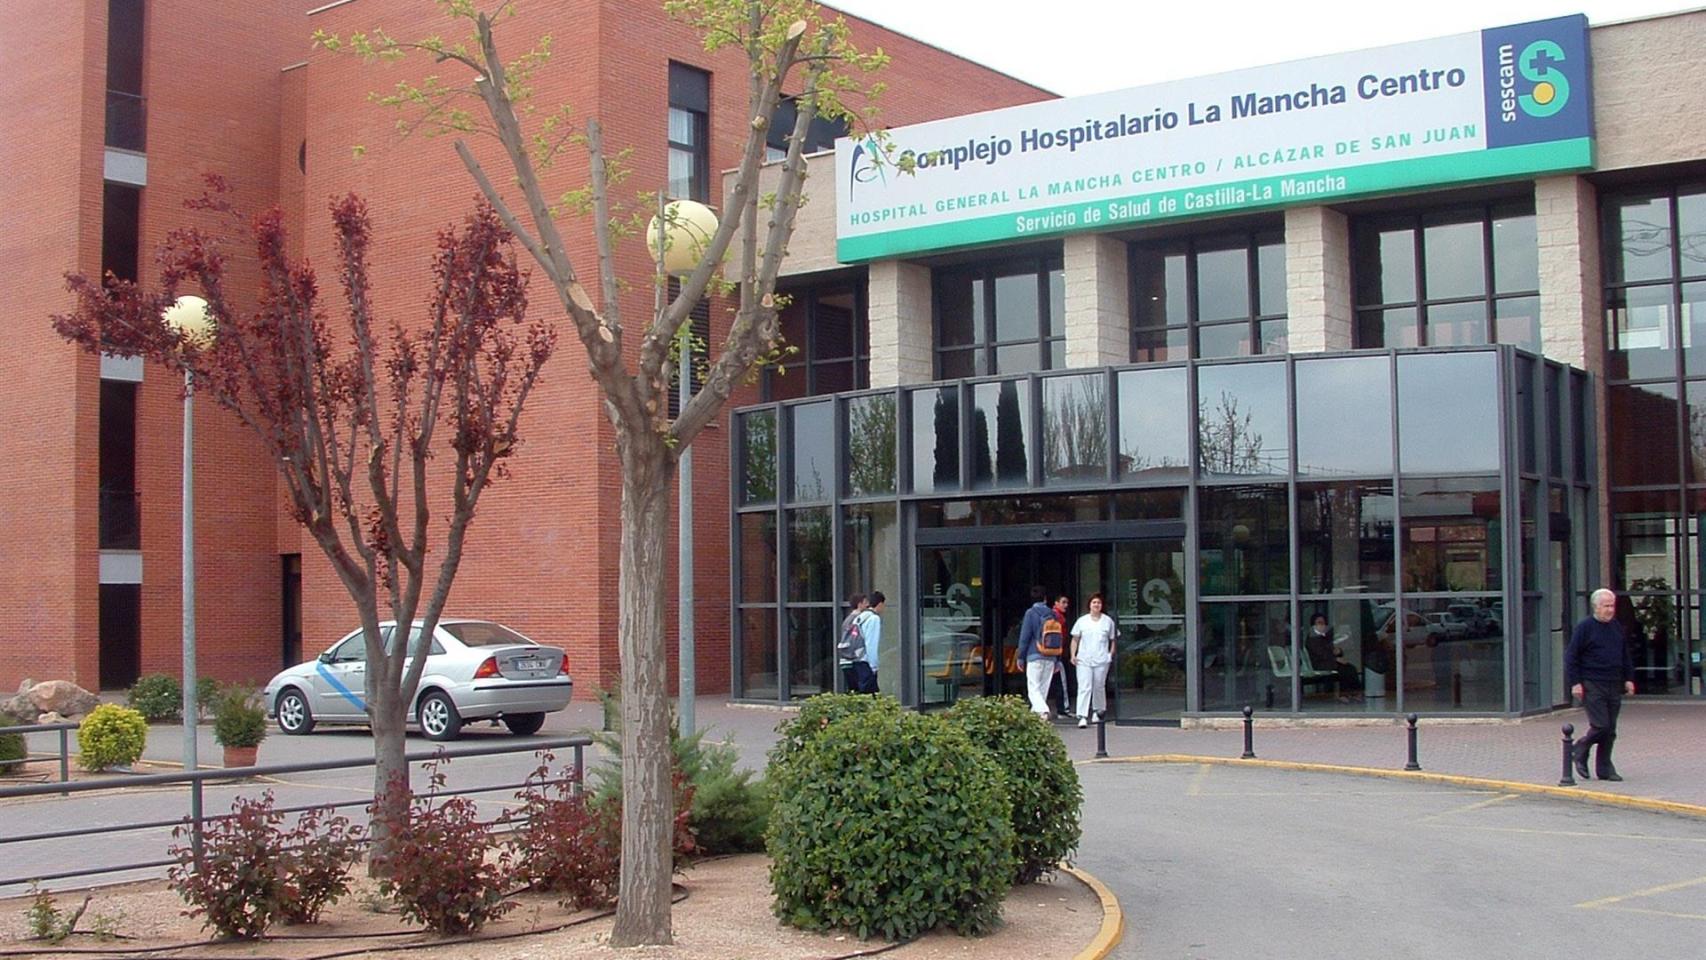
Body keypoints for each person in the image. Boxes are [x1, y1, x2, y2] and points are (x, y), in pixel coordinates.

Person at [1567, 588, 1636, 781]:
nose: (1610, 610)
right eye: (1606, 606)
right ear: (1596, 607)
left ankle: (1604, 768)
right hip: (1592, 682)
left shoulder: (1615, 627)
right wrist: (1575, 683)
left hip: (1613, 682)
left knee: (1610, 730)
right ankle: (1580, 748)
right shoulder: (1585, 627)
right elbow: (1571, 657)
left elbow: (1624, 655)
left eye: (1612, 606)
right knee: (1601, 725)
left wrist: (1629, 678)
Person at [1070, 592, 1117, 728]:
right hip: (1084, 659)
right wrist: (1073, 655)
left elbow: (1113, 640)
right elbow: (1075, 639)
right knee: (1084, 687)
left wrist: (1110, 655)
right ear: (1089, 605)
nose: (1096, 605)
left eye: (1099, 603)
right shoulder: (1082, 621)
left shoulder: (1108, 621)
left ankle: (1098, 711)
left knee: (1099, 686)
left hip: (1101, 659)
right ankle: (1082, 716)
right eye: (1094, 603)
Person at [1016, 586, 1062, 719]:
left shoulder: (1030, 613)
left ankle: (1043, 710)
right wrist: (1057, 659)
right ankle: (1037, 718)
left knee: (1033, 687)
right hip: (1051, 655)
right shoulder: (1053, 614)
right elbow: (1058, 636)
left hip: (1034, 654)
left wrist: (1020, 657)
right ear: (1045, 599)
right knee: (1043, 688)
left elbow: (1025, 637)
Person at [1304, 613, 1361, 702]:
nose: (1322, 625)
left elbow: (1333, 648)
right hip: (1319, 663)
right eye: (1319, 623)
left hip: (1330, 661)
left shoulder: (1326, 636)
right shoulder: (1312, 638)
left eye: (1323, 623)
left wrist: (1338, 651)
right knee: (1343, 669)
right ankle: (1344, 694)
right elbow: (1320, 653)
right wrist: (1336, 659)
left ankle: (1355, 692)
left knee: (1351, 668)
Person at [837, 593, 872, 695]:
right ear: (859, 604)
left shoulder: (848, 619)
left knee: (853, 691)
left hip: (846, 659)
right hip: (853, 660)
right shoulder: (858, 620)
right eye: (865, 602)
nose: (868, 605)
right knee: (860, 691)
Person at [859, 592, 886, 694]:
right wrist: (873, 665)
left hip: (856, 658)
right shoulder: (874, 619)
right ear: (879, 604)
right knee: (871, 694)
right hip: (866, 661)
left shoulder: (861, 617)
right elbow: (871, 644)